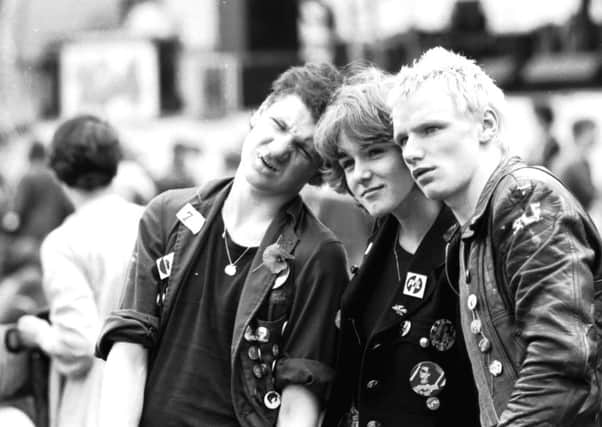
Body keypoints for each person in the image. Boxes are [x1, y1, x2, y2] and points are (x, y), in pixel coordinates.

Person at [95, 63, 348, 427]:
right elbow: (129, 348)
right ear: (259, 113)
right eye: (278, 126)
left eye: (302, 150)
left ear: (320, 169)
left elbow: (299, 399)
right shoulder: (168, 214)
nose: (278, 150)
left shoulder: (319, 255)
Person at [388, 46, 602, 427]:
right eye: (403, 139)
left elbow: (560, 367)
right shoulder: (472, 228)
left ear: (487, 125)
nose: (413, 152)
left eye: (431, 129)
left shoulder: (525, 199)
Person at [314, 68, 478, 427]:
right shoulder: (380, 237)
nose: (359, 174)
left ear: (410, 146)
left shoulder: (467, 242)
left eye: (374, 152)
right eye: (347, 162)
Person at [11, 115, 144, 427]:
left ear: (58, 171)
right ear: (115, 163)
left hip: (97, 404)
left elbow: (78, 346)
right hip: (152, 392)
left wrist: (38, 333)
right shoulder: (151, 221)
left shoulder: (64, 242)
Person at [553, 118, 598, 212]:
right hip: (570, 215)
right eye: (592, 133)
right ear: (583, 134)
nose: (596, 138)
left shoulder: (566, 156)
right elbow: (590, 194)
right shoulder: (576, 161)